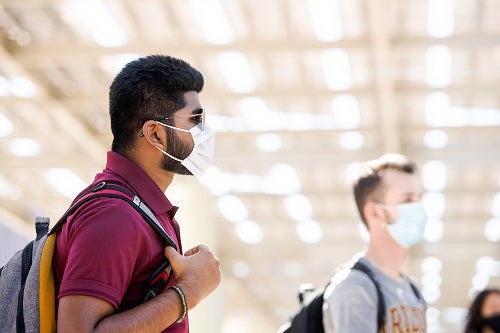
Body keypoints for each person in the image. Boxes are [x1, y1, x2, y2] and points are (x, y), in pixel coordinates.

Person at [53, 55, 221, 332]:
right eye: (195, 120)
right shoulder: (114, 215)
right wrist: (189, 291)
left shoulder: (143, 212)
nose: (205, 133)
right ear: (155, 134)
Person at [322, 153, 428, 332]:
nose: (419, 208)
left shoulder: (412, 290)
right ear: (374, 213)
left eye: (420, 199)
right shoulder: (355, 287)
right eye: (408, 200)